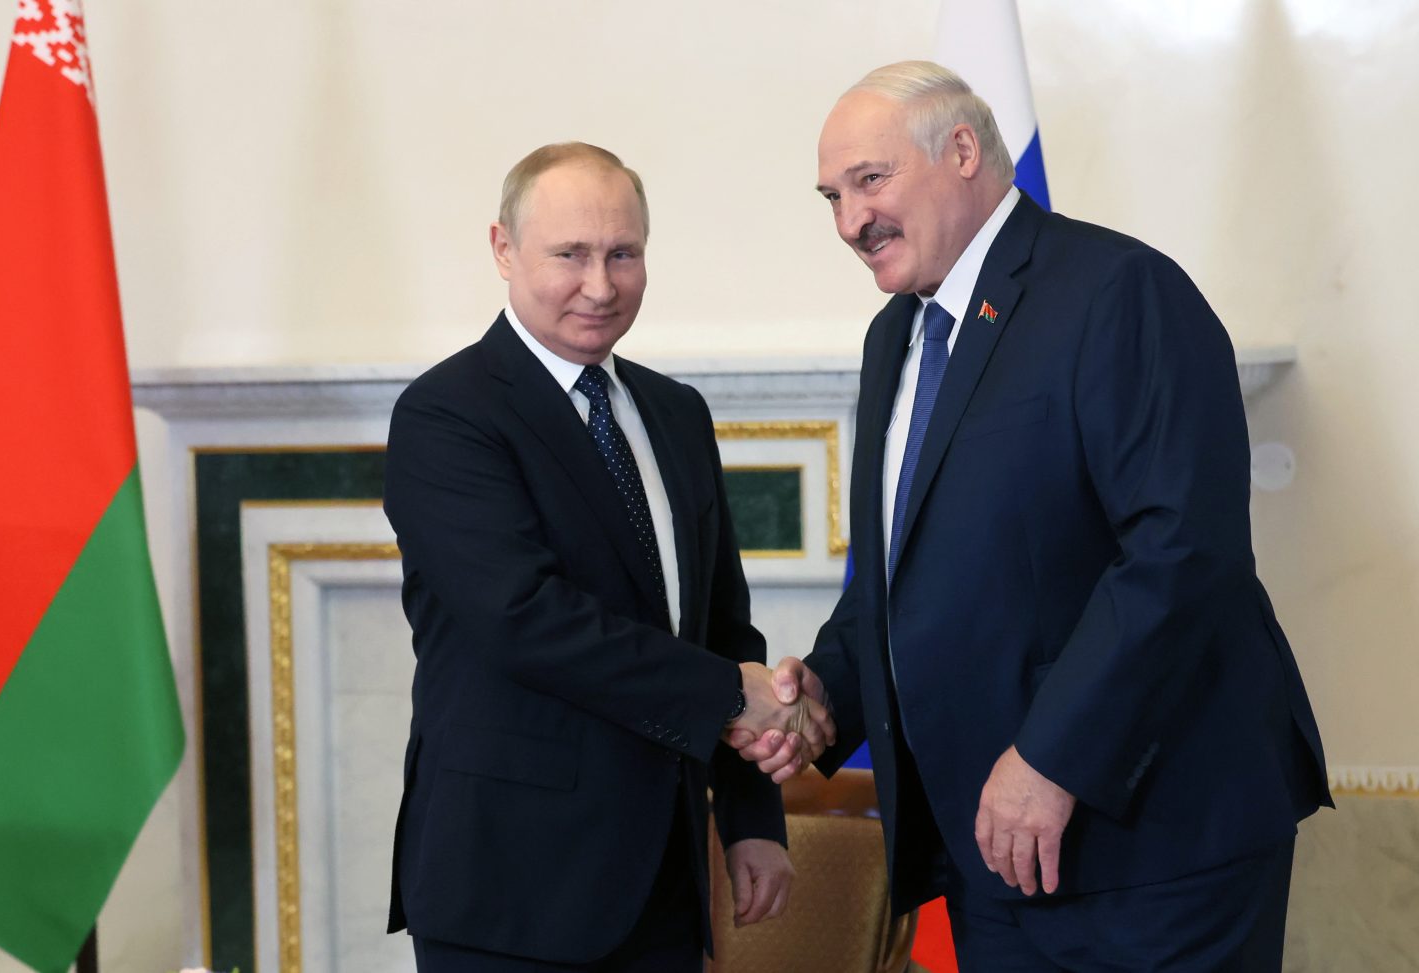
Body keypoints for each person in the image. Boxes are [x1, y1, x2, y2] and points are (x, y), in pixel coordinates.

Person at [732, 61, 1331, 970]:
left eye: (870, 180)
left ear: (962, 150)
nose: (851, 221)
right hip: (994, 860)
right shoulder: (896, 334)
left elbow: (1181, 551)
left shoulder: (1118, 290)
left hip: (1154, 849)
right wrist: (823, 693)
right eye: (832, 197)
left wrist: (1053, 757)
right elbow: (902, 577)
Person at [383, 141, 833, 972]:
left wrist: (751, 818)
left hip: (663, 882)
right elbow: (525, 619)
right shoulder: (446, 415)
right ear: (503, 249)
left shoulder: (675, 412)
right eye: (571, 254)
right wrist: (727, 695)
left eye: (623, 253)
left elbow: (722, 625)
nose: (600, 285)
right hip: (509, 890)